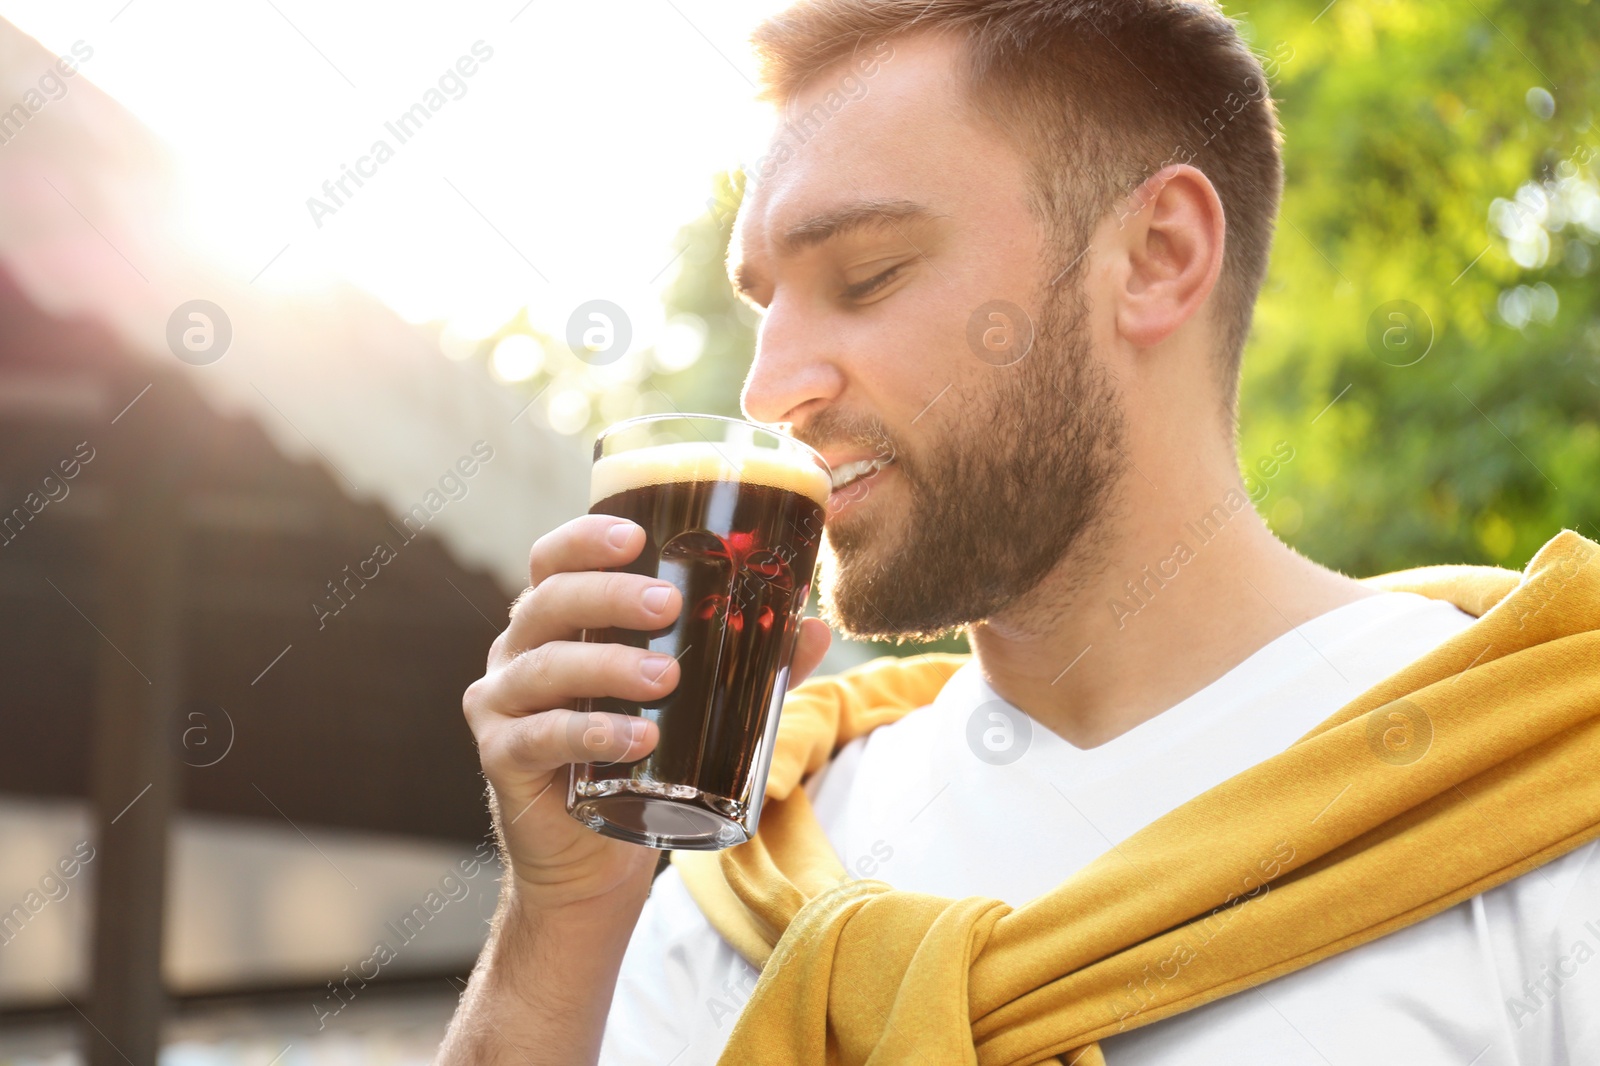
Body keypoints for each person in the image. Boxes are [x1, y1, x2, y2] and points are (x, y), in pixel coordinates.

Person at [439, 1, 1600, 1062]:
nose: (768, 388)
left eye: (866, 274)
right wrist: (563, 920)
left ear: (1156, 258)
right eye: (764, 305)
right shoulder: (758, 855)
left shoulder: (1545, 793)